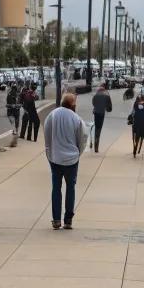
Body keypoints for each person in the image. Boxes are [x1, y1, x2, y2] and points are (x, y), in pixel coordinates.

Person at [43, 90, 85, 229]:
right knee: (70, 188)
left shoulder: (52, 115)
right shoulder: (76, 118)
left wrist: (49, 152)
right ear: (72, 104)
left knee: (56, 188)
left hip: (54, 158)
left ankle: (56, 220)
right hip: (72, 159)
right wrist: (78, 153)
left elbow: (47, 135)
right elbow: (82, 139)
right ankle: (68, 220)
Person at [91, 81, 112, 152]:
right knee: (99, 129)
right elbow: (109, 106)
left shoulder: (96, 94)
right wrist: (107, 108)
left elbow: (93, 103)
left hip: (96, 112)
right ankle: (96, 146)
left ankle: (95, 146)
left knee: (97, 128)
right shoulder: (107, 94)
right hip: (101, 113)